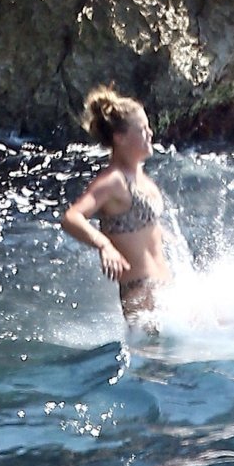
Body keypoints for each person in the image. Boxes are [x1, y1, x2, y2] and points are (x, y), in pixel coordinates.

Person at [61, 85, 171, 323]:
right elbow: (71, 217)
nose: (150, 133)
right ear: (120, 138)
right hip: (142, 296)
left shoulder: (140, 177)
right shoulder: (113, 181)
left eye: (148, 127)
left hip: (166, 289)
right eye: (142, 130)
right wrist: (105, 245)